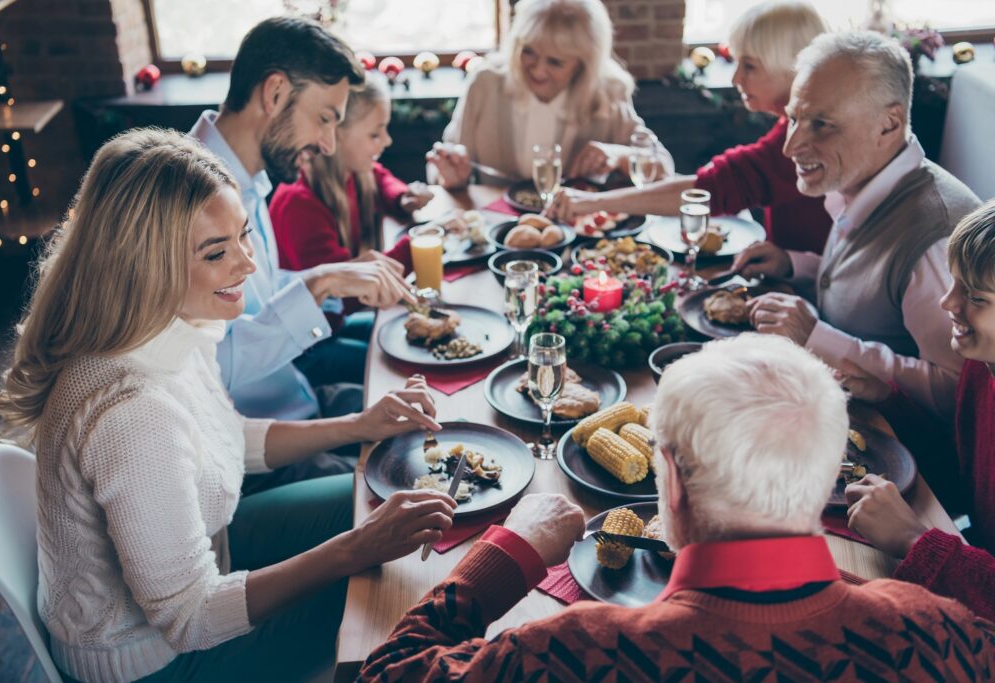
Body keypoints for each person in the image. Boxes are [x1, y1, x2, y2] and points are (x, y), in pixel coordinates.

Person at [0, 129, 456, 683]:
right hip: (153, 660)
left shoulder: (169, 325)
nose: (245, 265)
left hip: (209, 554)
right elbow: (189, 617)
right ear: (144, 263)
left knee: (381, 493)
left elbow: (227, 438)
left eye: (242, 237)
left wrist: (360, 424)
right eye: (217, 252)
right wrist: (356, 548)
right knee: (390, 603)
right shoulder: (130, 412)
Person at [359, 334, 995, 681]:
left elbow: (386, 674)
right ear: (827, 472)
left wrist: (510, 551)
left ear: (670, 479)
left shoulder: (570, 653)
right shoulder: (945, 637)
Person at [734, 31, 980, 423]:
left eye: (821, 124)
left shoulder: (935, 241)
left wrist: (816, 338)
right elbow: (875, 296)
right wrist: (795, 266)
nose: (791, 146)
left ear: (888, 124)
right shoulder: (864, 179)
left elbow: (955, 392)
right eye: (794, 118)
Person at [189, 16, 414, 427]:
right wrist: (319, 284)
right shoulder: (189, 201)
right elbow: (204, 368)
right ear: (274, 93)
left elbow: (258, 299)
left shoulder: (248, 179)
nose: (328, 144)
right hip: (256, 444)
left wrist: (334, 276)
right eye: (325, 118)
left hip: (299, 399)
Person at [547, 0, 832, 254]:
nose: (735, 79)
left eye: (750, 66)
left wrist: (590, 203)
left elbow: (707, 190)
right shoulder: (795, 127)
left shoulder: (800, 143)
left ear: (790, 67)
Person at [841, 200, 995, 622]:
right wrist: (890, 402)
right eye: (954, 283)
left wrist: (915, 539)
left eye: (975, 295)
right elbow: (965, 478)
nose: (948, 302)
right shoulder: (983, 370)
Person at [269, 76, 431, 383]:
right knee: (409, 364)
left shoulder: (353, 172)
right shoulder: (300, 203)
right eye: (375, 133)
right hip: (304, 351)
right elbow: (347, 295)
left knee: (417, 335)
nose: (386, 141)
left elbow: (383, 179)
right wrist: (418, 243)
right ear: (337, 134)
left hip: (333, 325)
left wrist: (402, 197)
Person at [426, 0, 673, 188]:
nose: (538, 70)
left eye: (555, 62)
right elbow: (441, 171)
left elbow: (663, 167)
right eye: (529, 51)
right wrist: (450, 175)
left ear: (583, 63)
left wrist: (620, 155)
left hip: (579, 239)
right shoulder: (486, 82)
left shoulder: (608, 91)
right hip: (496, 237)